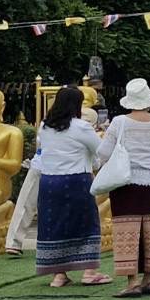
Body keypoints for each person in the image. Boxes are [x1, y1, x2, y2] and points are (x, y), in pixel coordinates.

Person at [35, 86, 110, 288]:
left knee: (55, 224)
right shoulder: (81, 126)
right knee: (86, 223)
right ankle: (89, 272)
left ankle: (59, 275)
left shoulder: (45, 126)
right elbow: (101, 151)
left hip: (49, 182)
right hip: (77, 180)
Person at [98, 78, 150, 297]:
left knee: (127, 231)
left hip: (125, 183)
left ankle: (132, 281)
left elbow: (104, 153)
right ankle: (149, 278)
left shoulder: (120, 122)